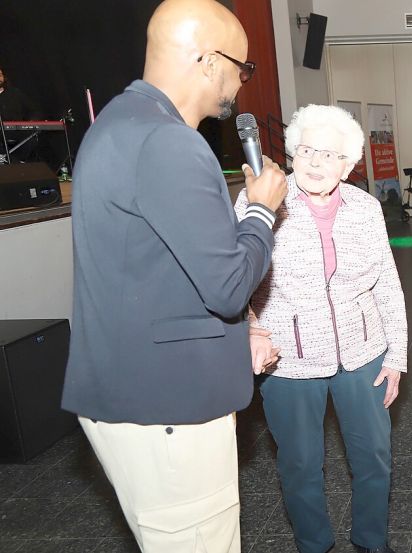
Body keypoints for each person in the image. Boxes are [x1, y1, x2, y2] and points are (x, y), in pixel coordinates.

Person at [62, 1, 288, 550]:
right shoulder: (169, 141)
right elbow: (228, 287)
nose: (241, 80)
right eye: (242, 66)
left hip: (135, 391)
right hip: (167, 408)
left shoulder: (120, 122)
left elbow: (171, 267)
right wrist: (260, 211)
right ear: (208, 60)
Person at [235, 105, 405, 553]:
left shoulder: (366, 208)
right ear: (291, 153)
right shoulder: (261, 199)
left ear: (348, 166)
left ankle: (372, 541)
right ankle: (313, 544)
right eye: (307, 150)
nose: (315, 162)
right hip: (288, 358)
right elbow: (234, 278)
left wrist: (397, 356)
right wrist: (252, 329)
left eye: (330, 155)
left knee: (373, 458)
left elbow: (387, 282)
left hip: (362, 349)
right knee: (300, 464)